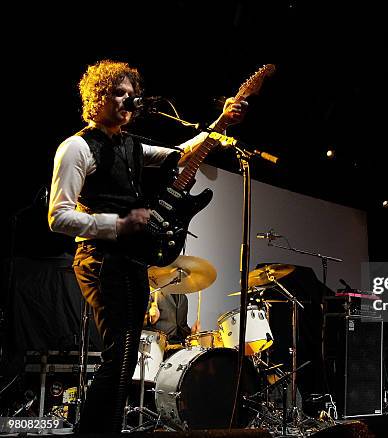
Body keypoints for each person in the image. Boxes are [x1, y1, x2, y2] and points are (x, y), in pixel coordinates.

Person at [48, 59, 247, 433]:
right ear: (96, 97)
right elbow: (58, 217)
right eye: (118, 93)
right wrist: (119, 224)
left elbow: (182, 151)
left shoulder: (131, 146)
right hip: (99, 258)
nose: (127, 100)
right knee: (118, 356)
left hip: (130, 262)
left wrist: (220, 125)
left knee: (124, 361)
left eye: (132, 94)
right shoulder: (76, 148)